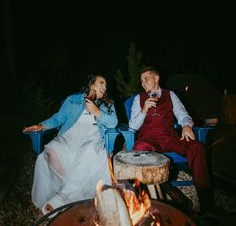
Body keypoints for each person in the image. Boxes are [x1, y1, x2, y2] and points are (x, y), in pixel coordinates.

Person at [129, 66, 220, 216]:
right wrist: (144, 110)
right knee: (139, 148)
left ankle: (207, 205)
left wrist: (186, 125)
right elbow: (132, 126)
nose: (143, 83)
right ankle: (171, 190)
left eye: (146, 79)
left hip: (169, 138)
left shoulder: (170, 95)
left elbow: (183, 114)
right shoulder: (139, 99)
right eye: (141, 81)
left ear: (156, 78)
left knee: (196, 147)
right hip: (149, 139)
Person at [23, 74, 118, 214]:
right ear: (92, 84)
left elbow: (113, 122)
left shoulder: (107, 104)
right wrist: (41, 126)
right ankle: (68, 187)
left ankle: (63, 197)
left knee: (88, 151)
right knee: (51, 150)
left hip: (92, 137)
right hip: (71, 135)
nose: (105, 87)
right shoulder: (73, 100)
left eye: (105, 85)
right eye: (101, 83)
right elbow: (59, 118)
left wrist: (97, 112)